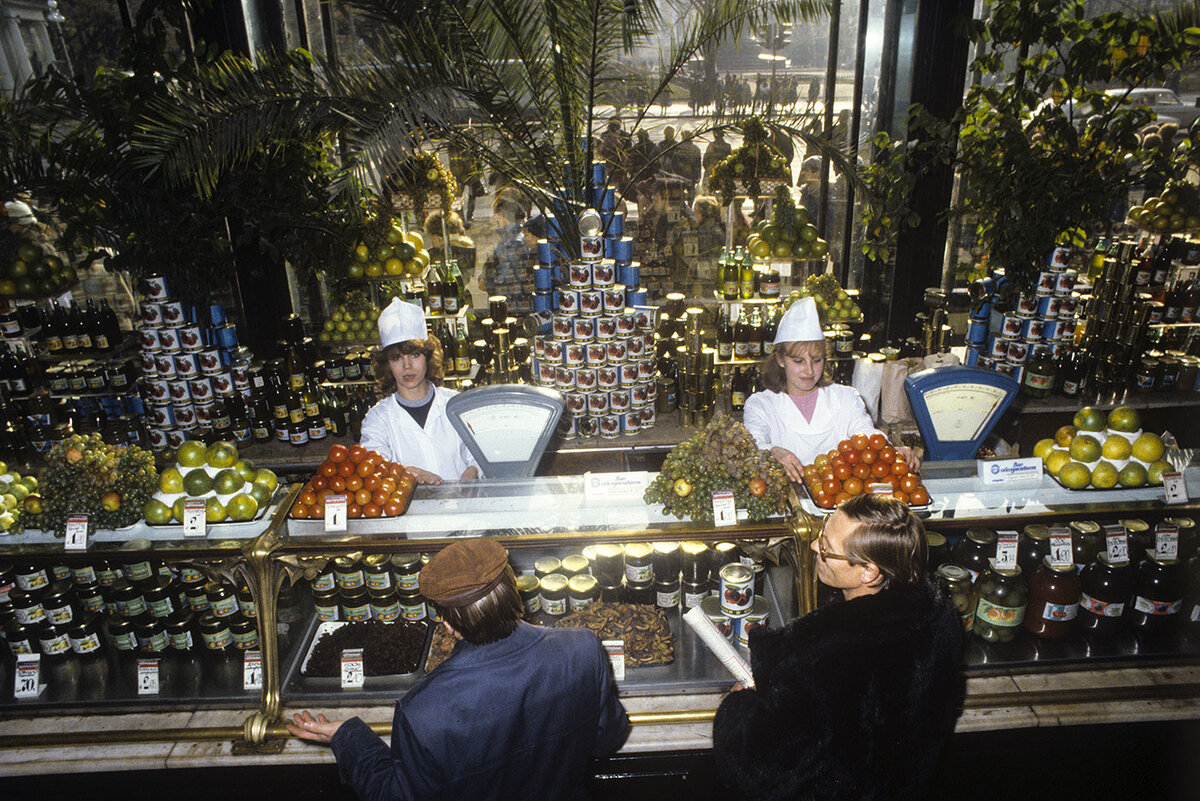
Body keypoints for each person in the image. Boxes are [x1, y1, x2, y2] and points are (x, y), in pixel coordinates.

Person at [287, 538, 630, 801]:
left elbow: (395, 795)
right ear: (517, 595)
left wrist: (350, 737)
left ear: (448, 625)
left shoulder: (423, 709)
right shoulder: (583, 648)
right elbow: (607, 738)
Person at [712, 493, 963, 801]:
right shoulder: (940, 615)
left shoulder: (824, 657)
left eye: (828, 548)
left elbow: (756, 771)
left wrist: (738, 706)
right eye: (822, 535)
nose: (816, 546)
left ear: (868, 572)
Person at [743, 297, 918, 480]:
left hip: (839, 503)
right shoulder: (761, 405)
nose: (809, 370)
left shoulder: (845, 398)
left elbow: (866, 435)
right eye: (798, 361)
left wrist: (889, 451)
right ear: (780, 360)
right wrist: (771, 451)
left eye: (817, 360)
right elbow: (752, 444)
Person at [359, 297, 478, 483]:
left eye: (415, 355)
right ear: (387, 364)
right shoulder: (378, 419)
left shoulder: (456, 404)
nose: (407, 366)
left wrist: (473, 471)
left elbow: (479, 453)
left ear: (428, 356)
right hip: (408, 510)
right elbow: (373, 467)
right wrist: (406, 471)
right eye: (396, 358)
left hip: (461, 505)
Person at [483, 193, 535, 314]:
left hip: (514, 310)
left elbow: (507, 279)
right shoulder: (507, 239)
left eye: (497, 215)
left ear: (504, 217)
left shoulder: (513, 243)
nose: (495, 218)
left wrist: (486, 281)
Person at [423, 209, 477, 274]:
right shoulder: (468, 249)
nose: (432, 242)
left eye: (431, 238)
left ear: (438, 238)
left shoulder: (439, 256)